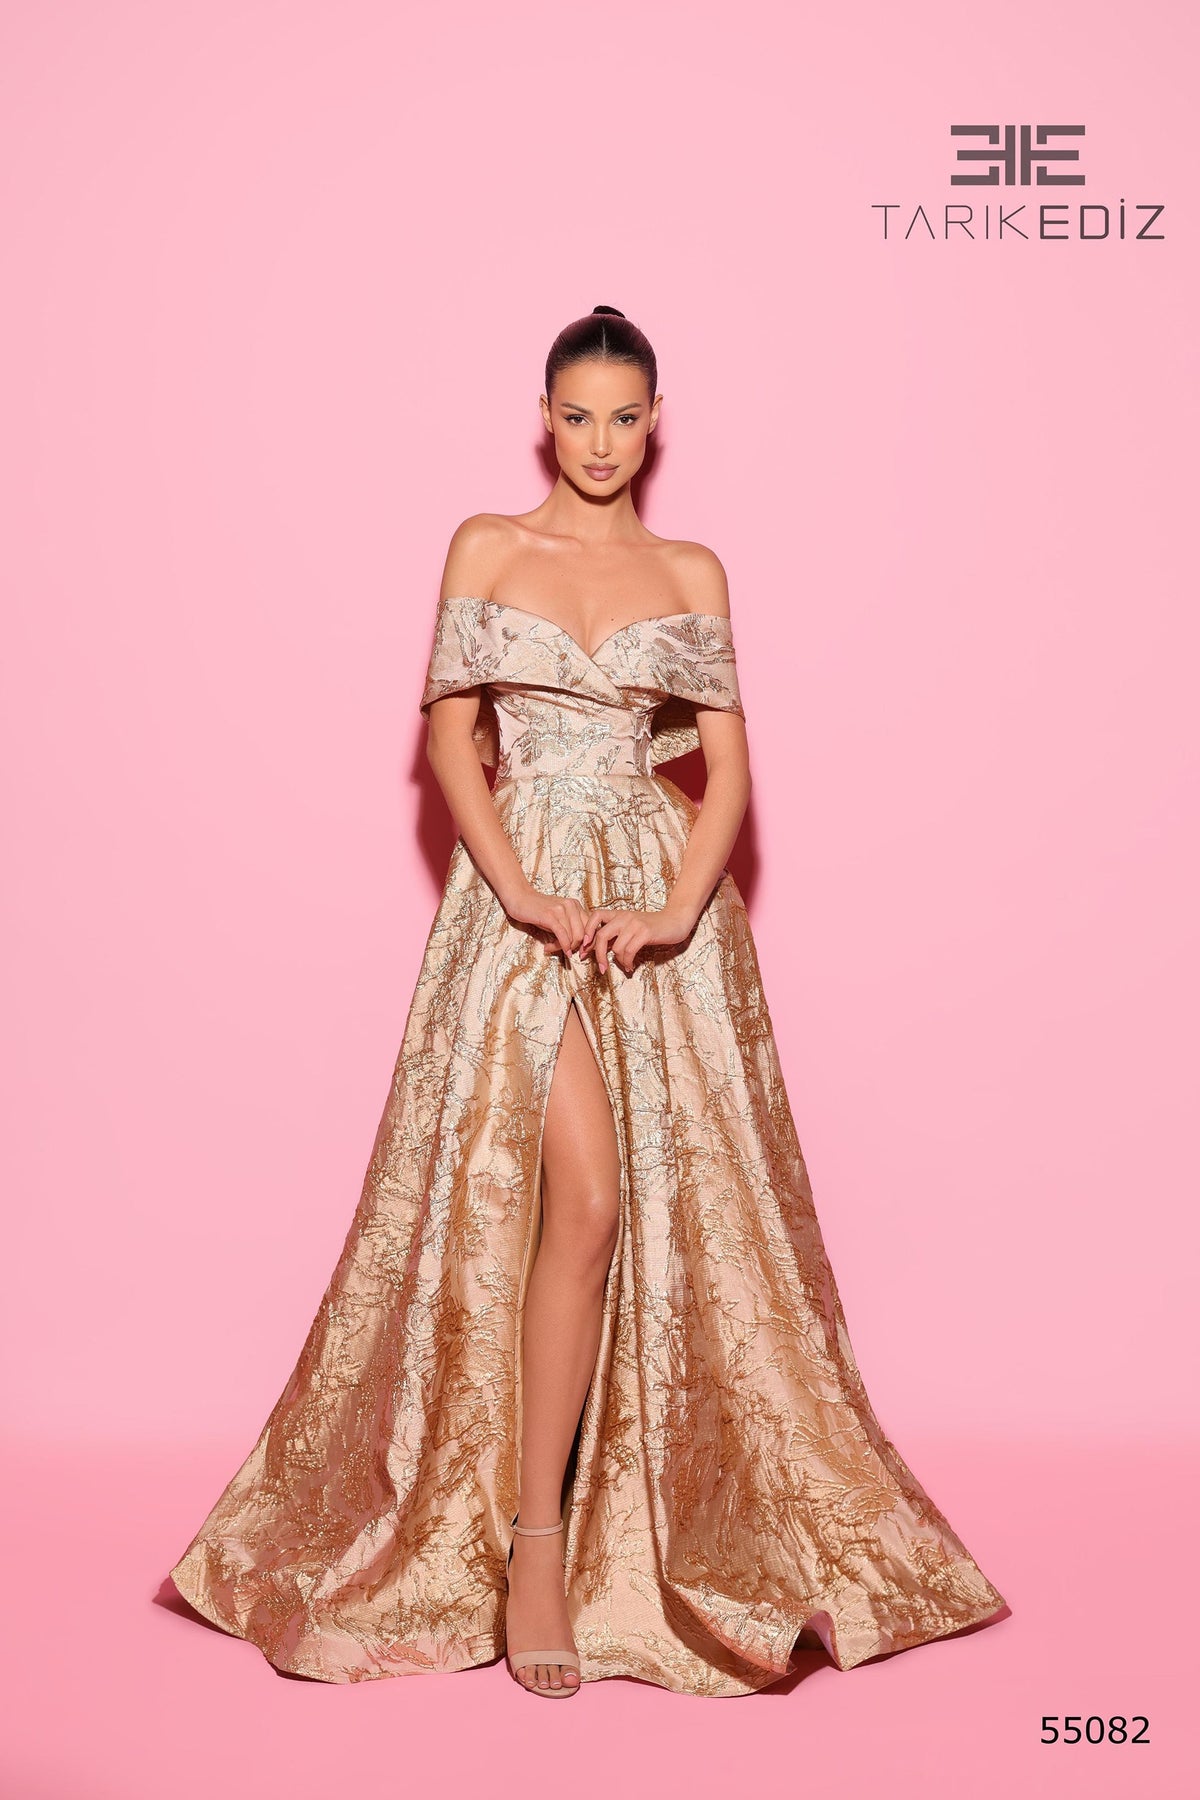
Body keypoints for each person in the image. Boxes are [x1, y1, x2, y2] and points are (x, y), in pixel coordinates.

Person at [168, 305, 1006, 1701]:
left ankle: (577, 1531)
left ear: (656, 422)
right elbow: (453, 743)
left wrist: (674, 909)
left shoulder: (691, 571)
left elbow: (728, 774)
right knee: (583, 1195)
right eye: (577, 416)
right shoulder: (487, 546)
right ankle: (534, 1549)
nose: (600, 443)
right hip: (519, 907)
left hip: (654, 916)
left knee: (660, 1216)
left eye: (624, 418)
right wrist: (518, 889)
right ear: (543, 416)